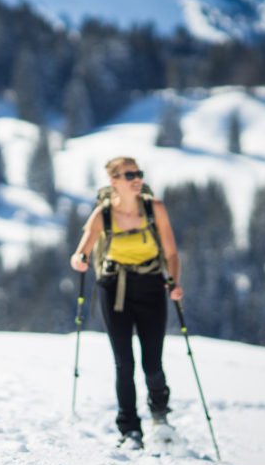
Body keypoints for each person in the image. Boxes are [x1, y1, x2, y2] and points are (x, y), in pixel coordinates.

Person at [69, 156, 183, 449]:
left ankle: (160, 416)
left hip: (152, 287)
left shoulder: (154, 208)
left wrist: (174, 283)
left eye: (138, 173)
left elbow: (170, 252)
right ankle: (130, 429)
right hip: (114, 289)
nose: (136, 178)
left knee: (152, 361)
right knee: (124, 363)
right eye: (128, 174)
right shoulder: (102, 214)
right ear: (114, 181)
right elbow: (81, 251)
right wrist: (80, 260)